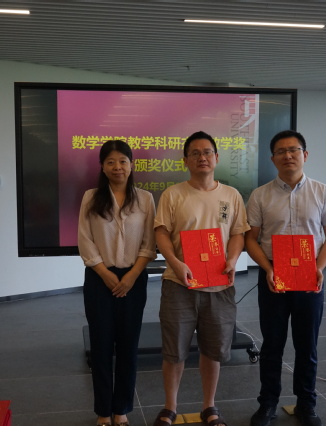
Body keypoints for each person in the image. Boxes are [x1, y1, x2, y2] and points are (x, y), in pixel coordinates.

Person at [153, 131, 250, 426]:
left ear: (216, 158)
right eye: (194, 153)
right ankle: (170, 407)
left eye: (207, 152)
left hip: (219, 284)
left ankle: (209, 406)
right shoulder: (173, 194)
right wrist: (175, 263)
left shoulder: (231, 195)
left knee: (213, 349)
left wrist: (232, 259)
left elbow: (238, 233)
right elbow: (161, 233)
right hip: (179, 283)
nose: (202, 157)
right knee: (174, 351)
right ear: (185, 161)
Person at [245, 130, 326, 426]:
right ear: (272, 158)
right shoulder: (260, 195)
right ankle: (267, 404)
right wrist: (267, 268)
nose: (288, 155)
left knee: (306, 345)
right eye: (281, 151)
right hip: (273, 274)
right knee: (272, 344)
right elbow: (250, 239)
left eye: (294, 150)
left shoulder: (321, 191)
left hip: (310, 274)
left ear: (305, 155)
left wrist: (319, 267)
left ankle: (306, 403)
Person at [78, 140, 157, 426]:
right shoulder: (91, 197)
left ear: (131, 165)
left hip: (134, 279)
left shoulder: (145, 199)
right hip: (99, 279)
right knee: (100, 346)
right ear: (102, 166)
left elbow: (149, 243)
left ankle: (121, 409)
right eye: (110, 162)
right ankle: (103, 411)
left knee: (128, 346)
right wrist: (105, 273)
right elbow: (85, 240)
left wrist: (131, 276)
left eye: (123, 161)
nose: (117, 167)